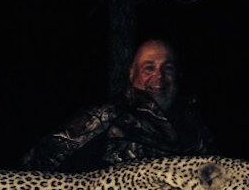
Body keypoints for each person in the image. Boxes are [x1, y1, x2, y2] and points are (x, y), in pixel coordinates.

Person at [22, 39, 216, 172]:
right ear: (132, 74)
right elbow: (35, 163)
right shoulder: (104, 116)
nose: (159, 77)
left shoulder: (197, 128)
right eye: (149, 68)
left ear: (178, 75)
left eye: (168, 68)